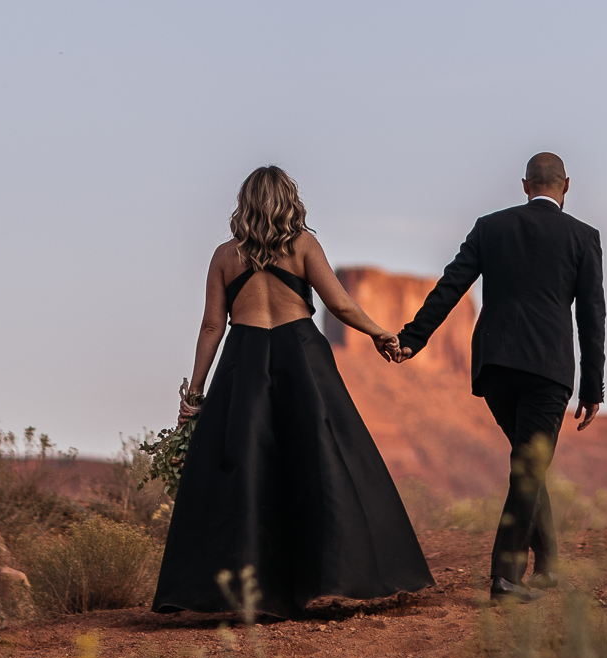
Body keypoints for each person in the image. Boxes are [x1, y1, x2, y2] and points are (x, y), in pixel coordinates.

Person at [152, 165, 435, 617]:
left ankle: (249, 593)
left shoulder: (225, 256)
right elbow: (339, 303)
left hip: (244, 360)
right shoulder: (302, 245)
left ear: (244, 203)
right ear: (289, 200)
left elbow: (211, 326)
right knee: (324, 461)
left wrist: (197, 392)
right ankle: (333, 576)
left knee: (244, 470)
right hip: (301, 354)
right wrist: (380, 333)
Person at [393, 152, 606, 601]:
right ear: (566, 185)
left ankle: (547, 566)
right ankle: (506, 578)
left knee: (530, 463)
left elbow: (452, 284)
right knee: (529, 466)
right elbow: (591, 316)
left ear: (525, 185)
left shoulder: (491, 227)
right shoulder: (583, 237)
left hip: (494, 367)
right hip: (548, 370)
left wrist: (413, 338)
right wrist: (593, 386)